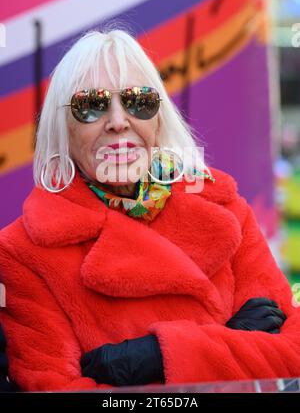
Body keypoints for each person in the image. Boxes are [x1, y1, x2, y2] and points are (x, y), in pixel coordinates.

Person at [0, 28, 298, 393]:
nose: (118, 120)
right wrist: (232, 342)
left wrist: (161, 355)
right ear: (63, 127)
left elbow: (292, 354)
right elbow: (54, 387)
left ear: (158, 118)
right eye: (91, 105)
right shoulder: (22, 251)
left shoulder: (225, 208)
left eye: (138, 101)